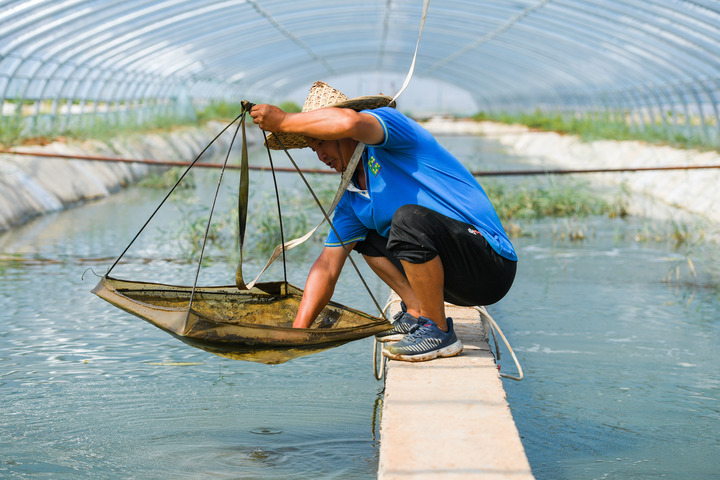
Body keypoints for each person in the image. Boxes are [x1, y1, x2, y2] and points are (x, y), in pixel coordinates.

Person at [250, 81, 517, 362]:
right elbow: (327, 266)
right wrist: (297, 332)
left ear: (338, 130)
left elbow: (350, 122)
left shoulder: (391, 132)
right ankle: (417, 311)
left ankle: (438, 332)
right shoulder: (352, 197)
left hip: (489, 265)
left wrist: (284, 120)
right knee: (366, 237)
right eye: (312, 148)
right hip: (455, 282)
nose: (321, 156)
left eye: (320, 141)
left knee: (406, 219)